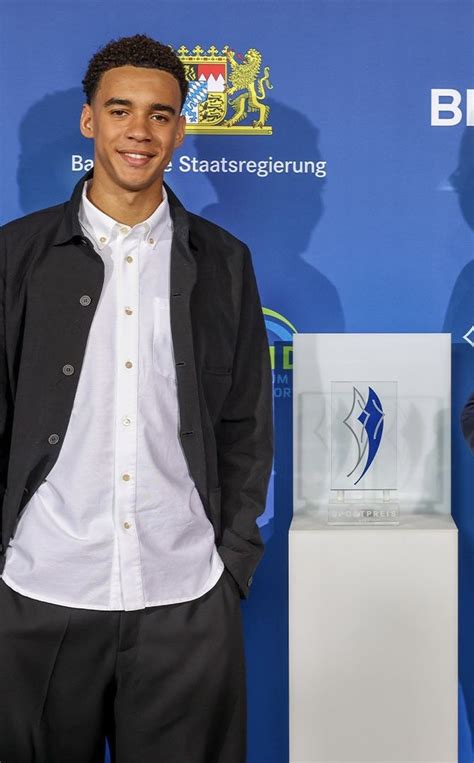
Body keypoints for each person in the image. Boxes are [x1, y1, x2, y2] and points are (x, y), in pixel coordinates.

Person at [0, 34, 273, 763]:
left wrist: (232, 559)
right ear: (89, 120)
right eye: (120, 110)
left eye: (160, 114)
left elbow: (246, 422)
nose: (139, 131)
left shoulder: (223, 261)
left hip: (185, 593)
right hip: (41, 588)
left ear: (180, 130)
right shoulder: (15, 256)